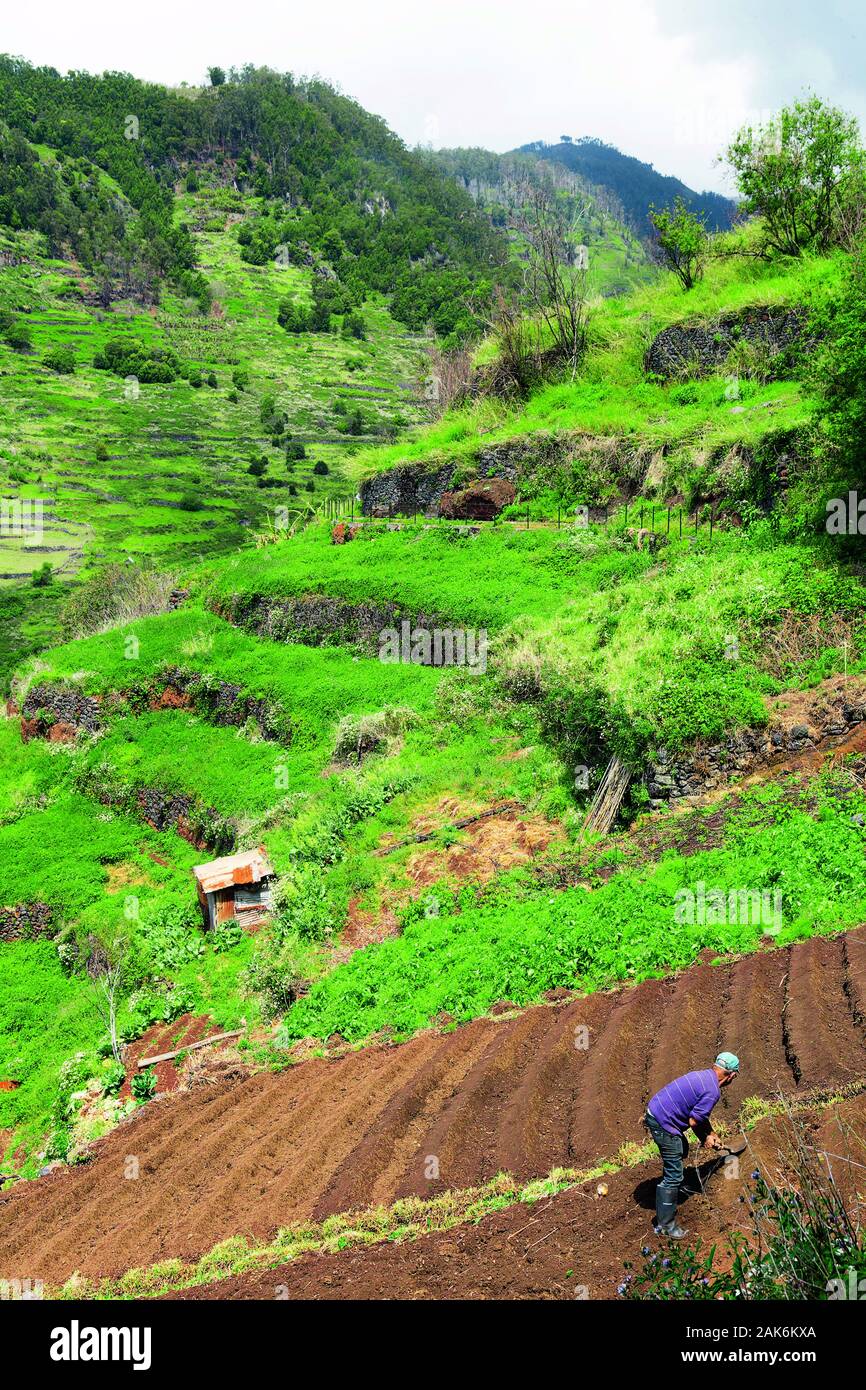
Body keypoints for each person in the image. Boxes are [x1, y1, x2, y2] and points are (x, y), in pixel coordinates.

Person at [645, 1052, 740, 1238]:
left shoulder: (704, 1076)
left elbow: (699, 1117)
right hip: (662, 1122)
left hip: (657, 1109)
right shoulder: (713, 1092)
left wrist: (711, 1134)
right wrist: (705, 1137)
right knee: (673, 1173)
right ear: (732, 1074)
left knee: (682, 1147)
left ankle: (677, 1187)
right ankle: (666, 1225)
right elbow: (694, 1122)